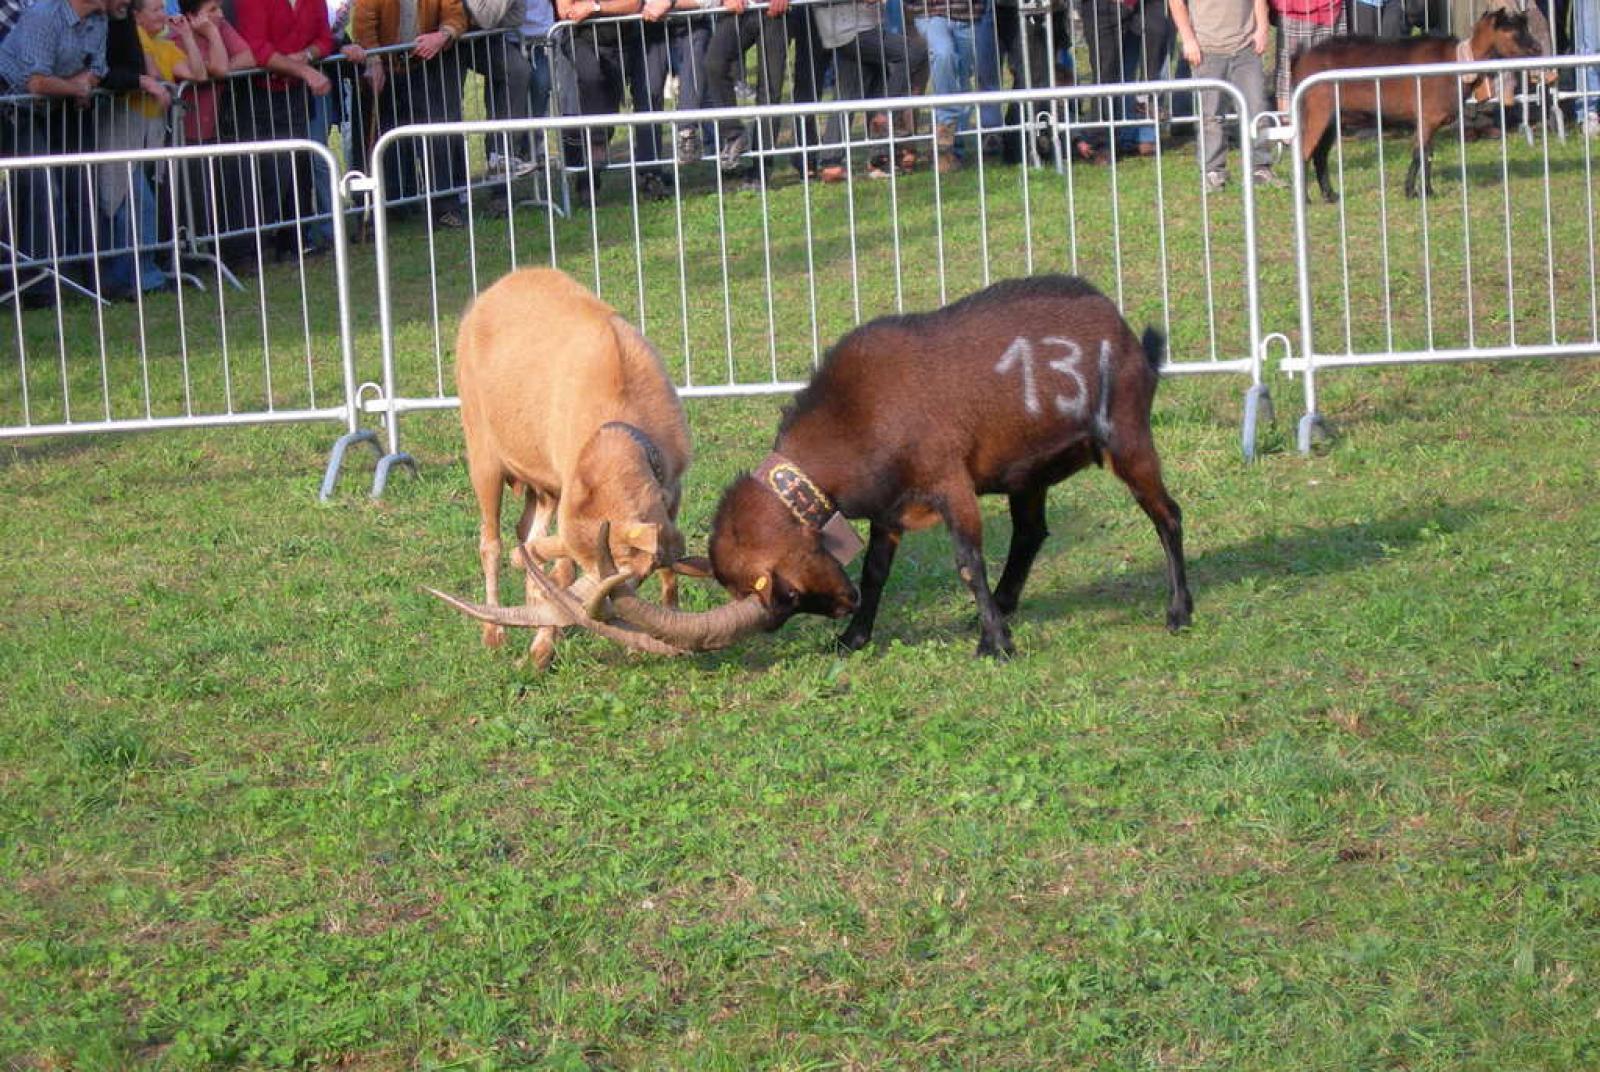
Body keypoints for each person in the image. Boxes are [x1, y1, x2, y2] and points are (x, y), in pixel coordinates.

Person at [232, 0, 361, 254]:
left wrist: (307, 55)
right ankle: (258, 246)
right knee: (269, 171)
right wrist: (304, 71)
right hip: (259, 93)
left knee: (300, 166)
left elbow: (324, 38)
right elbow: (258, 48)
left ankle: (295, 240)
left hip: (295, 94)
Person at [0, 0, 106, 299]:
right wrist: (77, 88)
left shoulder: (99, 19)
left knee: (60, 186)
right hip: (10, 106)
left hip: (41, 111)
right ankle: (35, 287)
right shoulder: (42, 16)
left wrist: (79, 83)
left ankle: (53, 282)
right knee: (39, 187)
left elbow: (97, 66)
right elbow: (36, 81)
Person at [353, 0, 469, 227]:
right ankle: (368, 215)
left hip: (423, 67)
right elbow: (363, 23)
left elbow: (455, 14)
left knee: (436, 137)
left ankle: (444, 209)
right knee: (371, 141)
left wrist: (443, 35)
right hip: (381, 69)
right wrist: (373, 60)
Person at [553, 0, 673, 201]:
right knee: (592, 80)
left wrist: (594, 8)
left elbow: (633, 4)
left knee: (626, 103)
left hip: (622, 39)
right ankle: (588, 178)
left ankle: (646, 173)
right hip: (580, 38)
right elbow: (566, 11)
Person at [703, 0, 827, 186]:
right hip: (740, 11)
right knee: (714, 64)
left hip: (776, 15)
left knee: (769, 90)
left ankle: (761, 167)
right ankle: (733, 133)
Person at [812, 0, 928, 181]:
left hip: (862, 26)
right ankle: (884, 116)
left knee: (853, 91)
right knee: (912, 53)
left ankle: (835, 162)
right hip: (849, 30)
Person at [1168, 0, 1276, 191]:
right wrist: (1188, 39)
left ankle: (1261, 168)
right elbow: (1176, 3)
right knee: (1211, 116)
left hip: (1246, 49)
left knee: (1257, 110)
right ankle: (1213, 171)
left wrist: (1262, 28)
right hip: (1206, 50)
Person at [1072, 0, 1170, 162]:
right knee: (1106, 71)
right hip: (1101, 7)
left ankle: (1145, 106)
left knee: (1157, 30)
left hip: (1145, 5)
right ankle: (1102, 142)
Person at [905, 0, 987, 171]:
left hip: (969, 14)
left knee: (962, 79)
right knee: (943, 54)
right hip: (930, 12)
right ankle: (945, 129)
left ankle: (955, 149)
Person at [1269, 0, 1340, 112]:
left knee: (1331, 73)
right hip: (1295, 10)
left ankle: (1325, 124)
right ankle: (1288, 124)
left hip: (1331, 9)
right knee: (1289, 75)